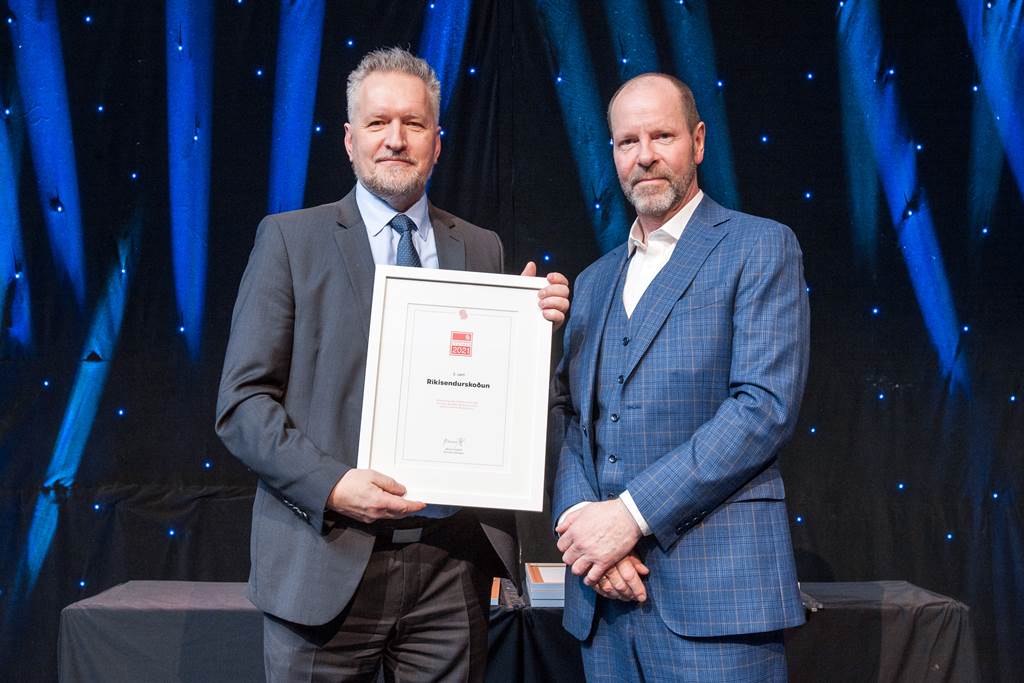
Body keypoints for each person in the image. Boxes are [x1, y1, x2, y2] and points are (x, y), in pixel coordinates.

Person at [216, 47, 569, 682]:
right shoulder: (291, 240)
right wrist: (331, 486)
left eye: (413, 123)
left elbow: (497, 397)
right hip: (325, 556)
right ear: (349, 140)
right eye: (378, 123)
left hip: (450, 567)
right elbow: (242, 406)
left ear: (438, 142)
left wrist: (530, 330)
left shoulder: (480, 247)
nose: (396, 140)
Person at [550, 72, 809, 681]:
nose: (644, 156)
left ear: (697, 141)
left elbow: (762, 408)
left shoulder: (760, 246)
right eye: (627, 141)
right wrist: (587, 530)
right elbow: (570, 417)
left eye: (661, 136)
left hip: (717, 602)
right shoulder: (592, 282)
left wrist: (627, 518)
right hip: (604, 602)